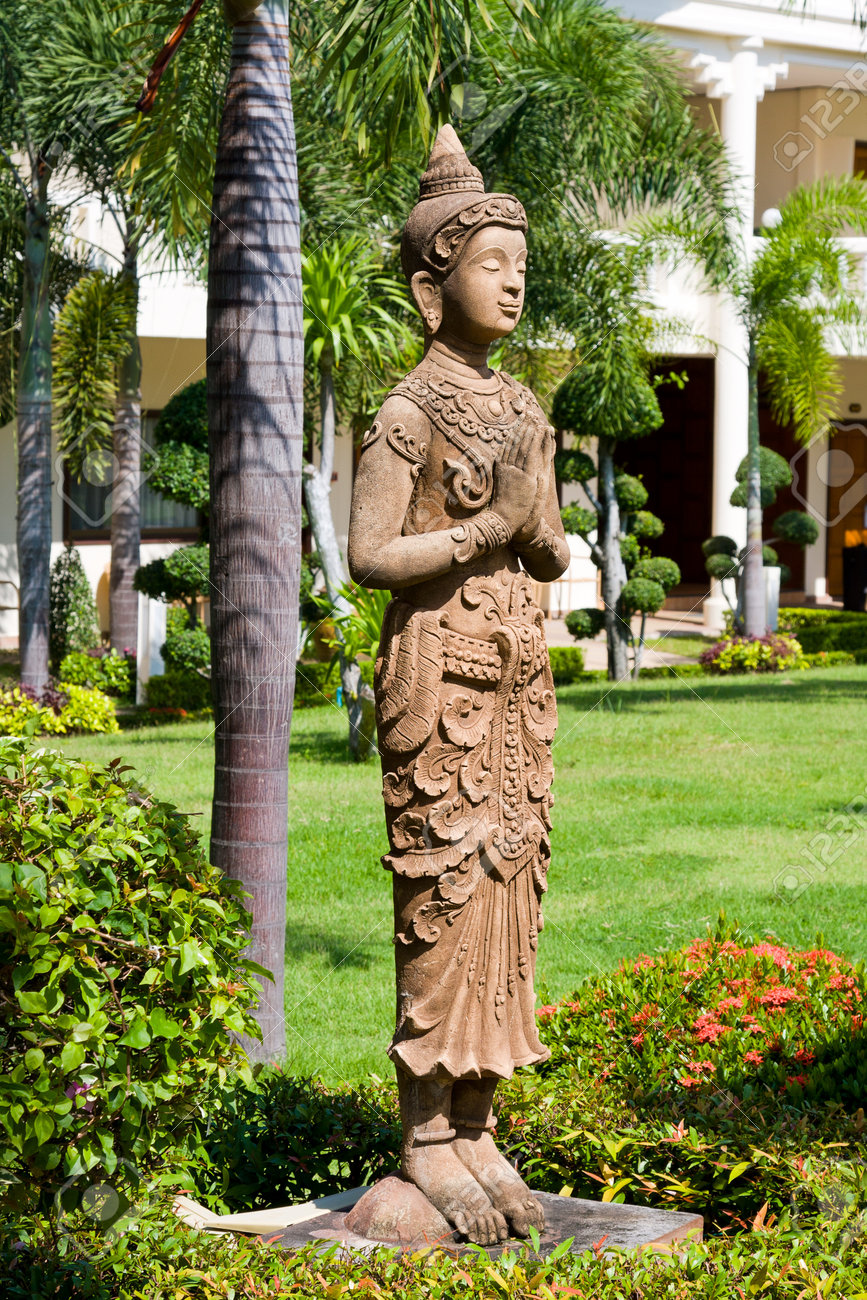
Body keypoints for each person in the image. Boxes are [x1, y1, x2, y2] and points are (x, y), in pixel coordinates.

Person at [348, 126, 570, 1246]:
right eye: (492, 262)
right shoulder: (406, 411)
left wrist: (531, 526)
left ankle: (480, 1124)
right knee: (442, 899)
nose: (514, 279)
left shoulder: (526, 408)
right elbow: (369, 553)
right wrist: (484, 527)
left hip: (520, 698)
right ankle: (427, 1141)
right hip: (440, 689)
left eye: (520, 264)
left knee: (507, 903)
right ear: (436, 288)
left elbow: (555, 550)